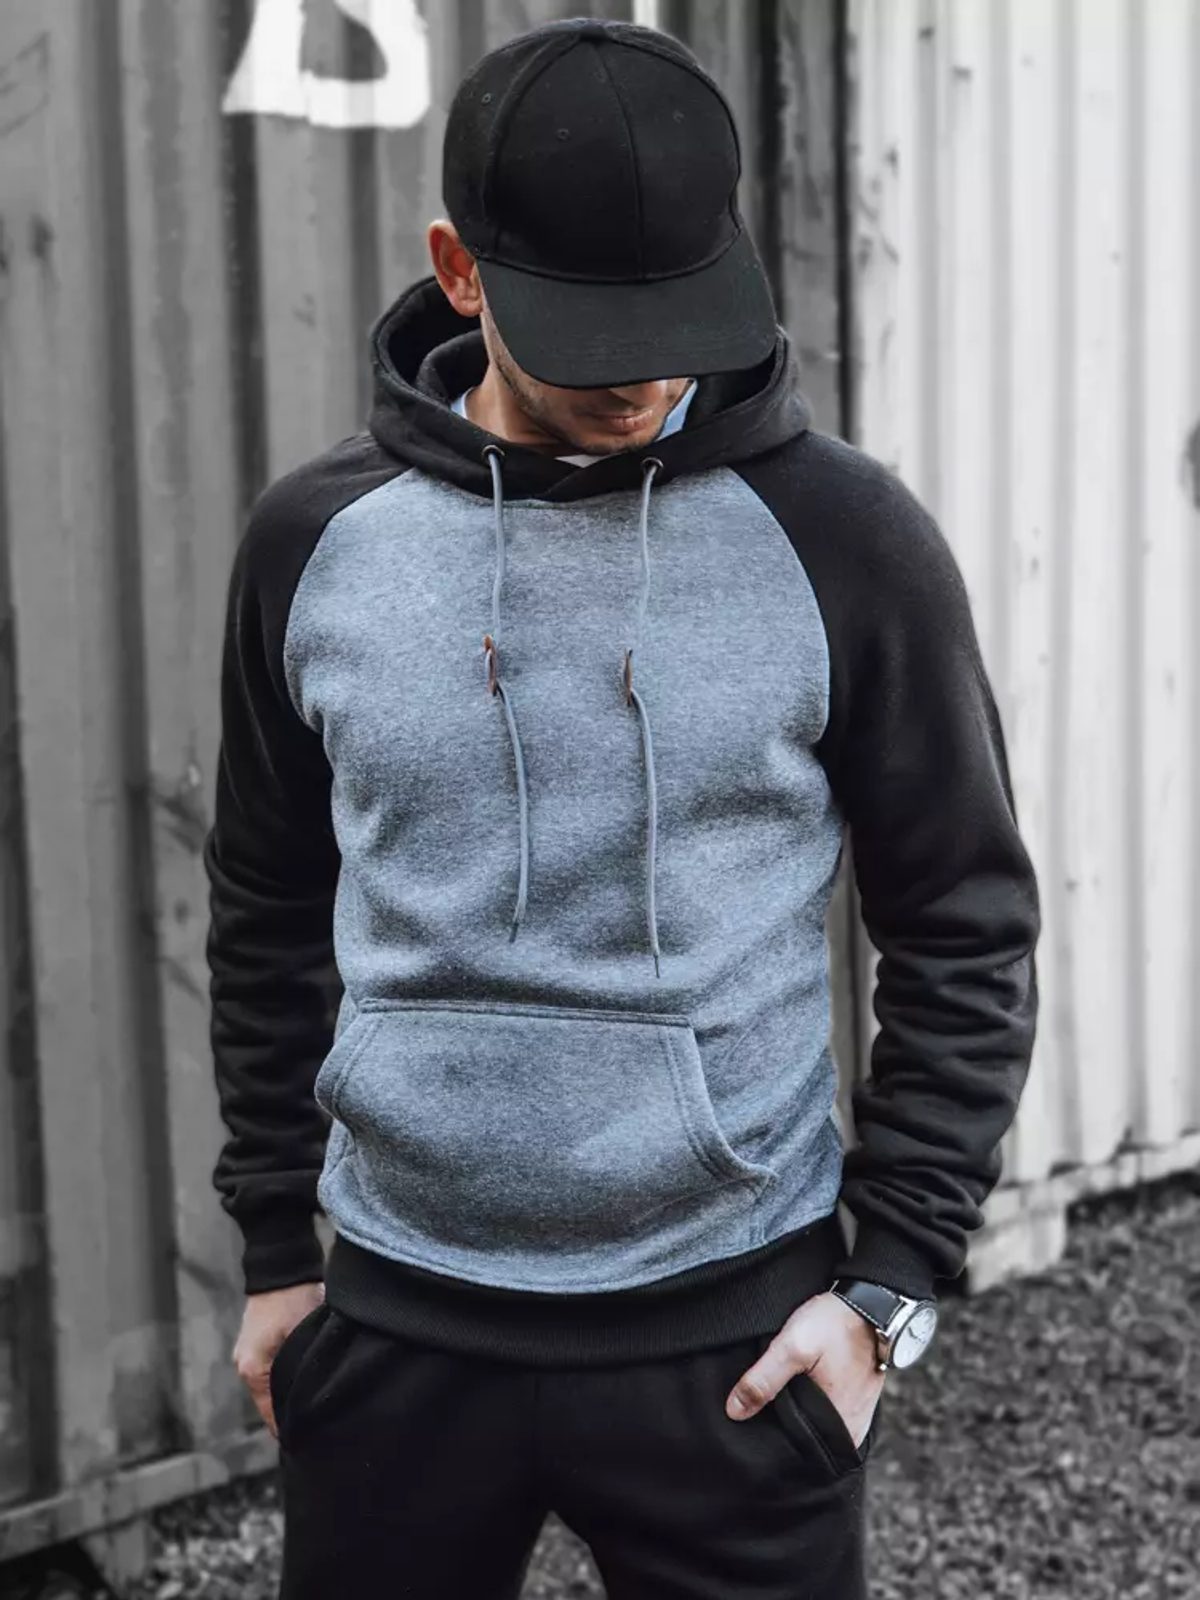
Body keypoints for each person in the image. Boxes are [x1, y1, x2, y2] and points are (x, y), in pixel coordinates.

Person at [202, 16, 1040, 1599]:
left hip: (730, 1342)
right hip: (398, 1328)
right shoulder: (317, 547)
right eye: (596, 333)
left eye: (679, 319)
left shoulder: (845, 540)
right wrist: (270, 1253)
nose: (650, 376)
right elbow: (263, 902)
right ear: (461, 274)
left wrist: (887, 1288)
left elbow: (966, 921)